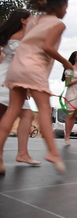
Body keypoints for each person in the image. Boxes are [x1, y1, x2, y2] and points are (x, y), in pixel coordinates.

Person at [0, 0, 72, 174]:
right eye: (66, 7)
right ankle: (53, 153)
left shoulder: (34, 20)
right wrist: (66, 63)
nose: (66, 11)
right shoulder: (58, 24)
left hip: (16, 67)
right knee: (45, 110)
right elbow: (47, 47)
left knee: (12, 111)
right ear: (58, 6)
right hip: (34, 67)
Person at [0, 9, 41, 165]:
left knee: (25, 115)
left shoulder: (20, 37)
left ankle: (22, 153)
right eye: (31, 17)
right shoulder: (18, 38)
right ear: (23, 20)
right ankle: (19, 154)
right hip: (9, 79)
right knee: (22, 115)